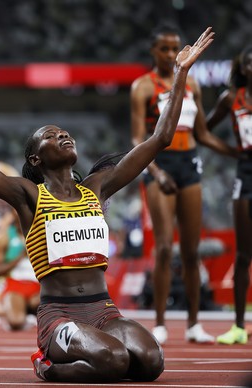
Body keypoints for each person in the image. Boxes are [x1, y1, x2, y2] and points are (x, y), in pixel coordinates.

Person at [0, 26, 214, 382]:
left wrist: (180, 74)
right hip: (60, 315)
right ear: (36, 159)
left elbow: (160, 138)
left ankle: (94, 354)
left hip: (104, 311)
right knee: (114, 361)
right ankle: (47, 364)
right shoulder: (28, 196)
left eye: (64, 131)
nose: (62, 134)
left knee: (151, 362)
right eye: (50, 136)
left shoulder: (98, 187)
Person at [130, 24, 236, 345]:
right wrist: (157, 173)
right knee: (164, 248)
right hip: (160, 166)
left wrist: (238, 153)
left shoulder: (192, 84)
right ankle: (160, 322)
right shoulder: (142, 87)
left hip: (189, 164)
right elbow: (138, 138)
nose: (171, 53)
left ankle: (193, 324)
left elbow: (202, 134)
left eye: (175, 47)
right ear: (153, 51)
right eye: (164, 48)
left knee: (191, 251)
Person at [206, 45, 252, 345]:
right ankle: (238, 326)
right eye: (250, 62)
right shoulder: (231, 98)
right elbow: (203, 130)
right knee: (244, 253)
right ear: (242, 67)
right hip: (246, 175)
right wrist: (232, 152)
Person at [0, 162, 40, 331]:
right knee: (16, 322)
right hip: (15, 285)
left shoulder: (40, 231)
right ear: (13, 213)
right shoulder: (3, 237)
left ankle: (32, 312)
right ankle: (24, 313)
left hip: (39, 286)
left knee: (56, 309)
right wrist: (20, 256)